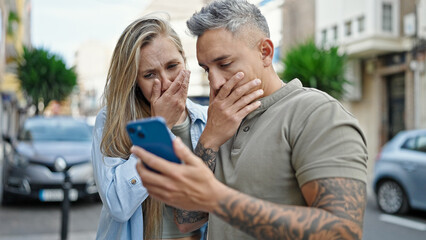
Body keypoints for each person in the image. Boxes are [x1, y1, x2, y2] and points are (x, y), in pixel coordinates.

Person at [132, 0, 368, 240]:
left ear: (265, 52)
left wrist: (218, 198)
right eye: (206, 69)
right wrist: (210, 138)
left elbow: (343, 231)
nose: (215, 82)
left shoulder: (317, 113)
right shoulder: (220, 120)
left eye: (224, 64)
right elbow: (186, 221)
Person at [91, 15, 217, 240]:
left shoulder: (207, 120)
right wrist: (160, 127)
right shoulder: (111, 120)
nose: (166, 82)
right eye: (149, 75)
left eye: (172, 66)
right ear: (134, 81)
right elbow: (117, 205)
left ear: (184, 61)